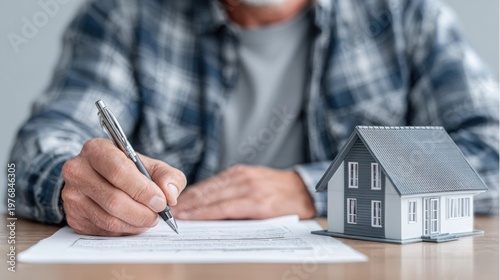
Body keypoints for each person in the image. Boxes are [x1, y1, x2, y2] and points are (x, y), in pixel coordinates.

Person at [9, 0, 499, 236]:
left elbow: (489, 148)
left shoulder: (407, 15)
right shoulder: (125, 15)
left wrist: (313, 190)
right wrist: (71, 184)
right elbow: (37, 149)